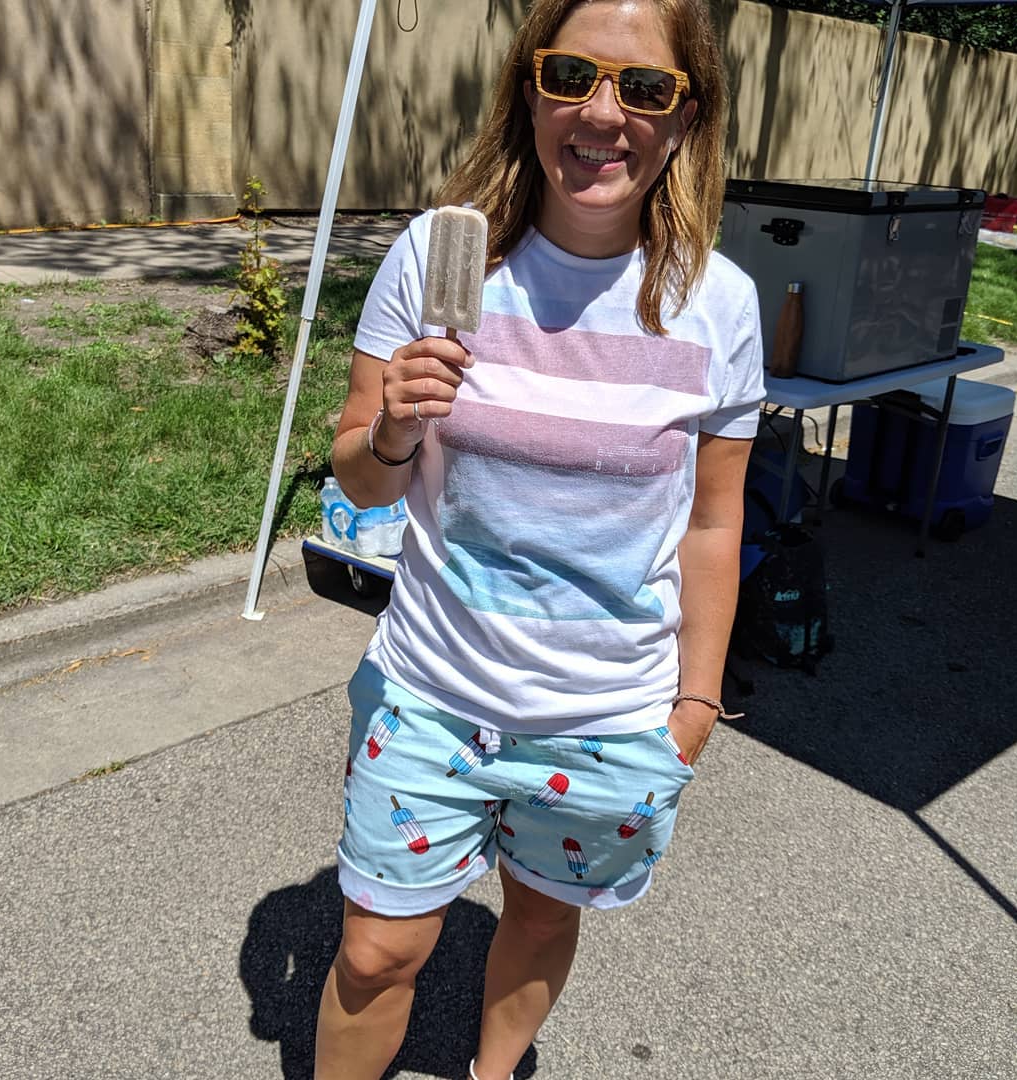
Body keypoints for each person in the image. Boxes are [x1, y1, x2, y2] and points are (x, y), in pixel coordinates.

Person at [316, 1, 764, 1077]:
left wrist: (693, 708)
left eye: (643, 88)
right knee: (377, 952)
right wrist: (396, 426)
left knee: (542, 921)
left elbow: (714, 521)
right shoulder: (439, 255)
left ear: (685, 117)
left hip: (607, 717)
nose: (602, 113)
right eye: (572, 75)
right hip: (432, 688)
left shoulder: (720, 305)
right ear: (530, 88)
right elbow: (359, 480)